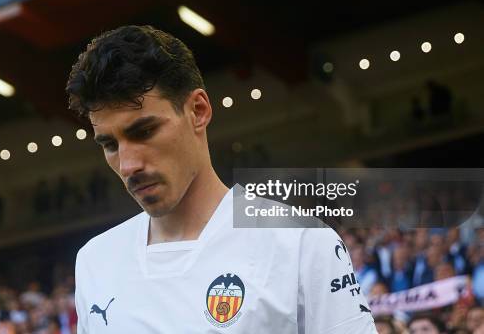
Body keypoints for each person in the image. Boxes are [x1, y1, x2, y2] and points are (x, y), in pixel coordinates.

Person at [66, 25, 376, 333]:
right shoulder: (96, 261)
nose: (128, 164)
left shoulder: (301, 243)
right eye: (110, 144)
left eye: (144, 131)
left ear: (198, 111)